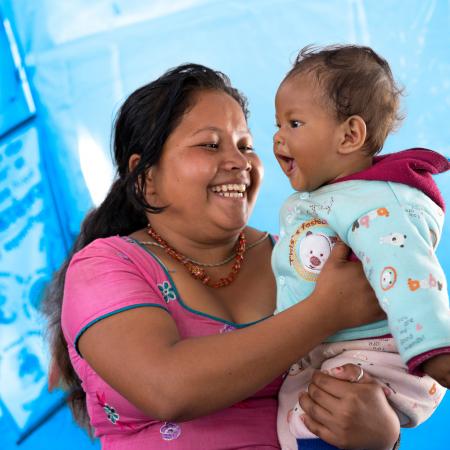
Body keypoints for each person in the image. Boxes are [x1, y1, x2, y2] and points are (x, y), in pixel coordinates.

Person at [43, 63, 403, 450]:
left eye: (246, 145)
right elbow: (168, 388)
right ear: (145, 176)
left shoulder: (305, 255)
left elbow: (380, 368)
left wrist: (383, 435)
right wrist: (323, 313)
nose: (240, 161)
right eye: (210, 144)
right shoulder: (106, 266)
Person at [272, 44, 450, 450]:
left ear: (350, 135)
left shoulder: (377, 202)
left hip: (376, 357)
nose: (278, 138)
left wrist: (435, 349)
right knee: (295, 412)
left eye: (294, 123)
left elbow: (409, 273)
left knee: (316, 416)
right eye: (278, 124)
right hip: (330, 351)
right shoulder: (331, 198)